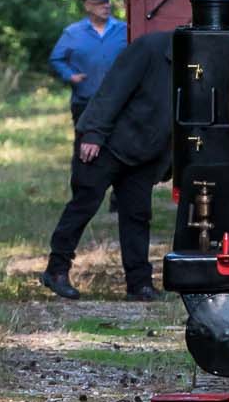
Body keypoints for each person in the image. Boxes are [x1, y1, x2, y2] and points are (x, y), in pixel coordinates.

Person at [38, 28, 171, 303]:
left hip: (143, 154)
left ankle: (139, 284)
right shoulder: (149, 48)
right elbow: (113, 89)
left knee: (137, 216)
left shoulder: (196, 62)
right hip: (108, 144)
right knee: (83, 205)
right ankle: (57, 270)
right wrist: (94, 133)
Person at [47, 0, 127, 132]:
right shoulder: (72, 33)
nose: (106, 6)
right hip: (85, 101)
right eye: (100, 3)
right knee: (84, 146)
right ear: (87, 6)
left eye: (107, 2)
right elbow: (56, 59)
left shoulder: (124, 30)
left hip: (119, 100)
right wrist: (70, 75)